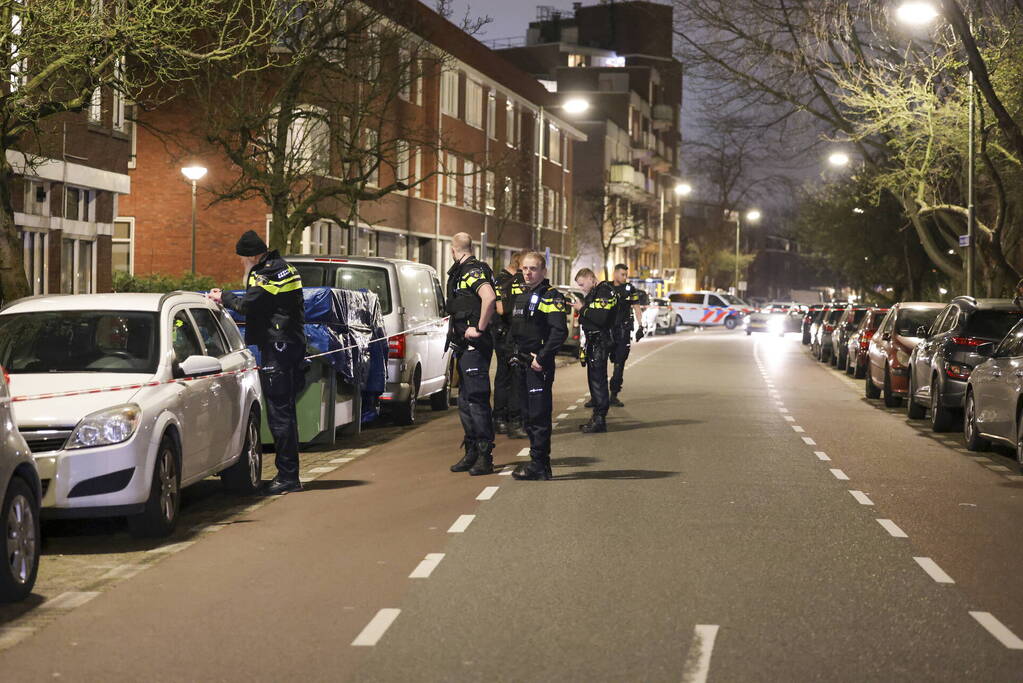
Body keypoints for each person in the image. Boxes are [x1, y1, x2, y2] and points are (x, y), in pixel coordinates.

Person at [207, 230, 306, 495]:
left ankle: (288, 478)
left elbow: (248, 306)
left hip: (277, 347)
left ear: (252, 255)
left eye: (243, 259)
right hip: (292, 344)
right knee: (287, 412)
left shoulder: (265, 273)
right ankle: (290, 474)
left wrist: (223, 297)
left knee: (279, 415)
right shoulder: (287, 268)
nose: (242, 264)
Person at [509, 252, 568, 480]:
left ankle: (540, 464)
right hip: (523, 362)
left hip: (537, 365)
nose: (528, 272)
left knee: (539, 414)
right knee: (527, 415)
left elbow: (559, 332)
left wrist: (541, 359)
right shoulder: (524, 294)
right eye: (524, 268)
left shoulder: (550, 296)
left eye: (533, 269)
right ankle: (538, 462)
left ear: (543, 271)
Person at [446, 233, 499, 476]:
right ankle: (472, 451)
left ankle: (485, 455)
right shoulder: (460, 272)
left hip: (475, 346)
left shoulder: (471, 271)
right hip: (462, 344)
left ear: (453, 249)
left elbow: (489, 297)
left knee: (477, 400)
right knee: (465, 401)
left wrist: (479, 328)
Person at [572, 268, 618, 434]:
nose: (582, 288)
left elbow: (600, 317)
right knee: (594, 380)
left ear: (592, 278)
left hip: (600, 341)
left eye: (583, 284)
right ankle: (596, 417)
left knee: (598, 381)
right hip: (593, 341)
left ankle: (600, 419)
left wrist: (581, 308)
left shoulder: (604, 292)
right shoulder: (596, 293)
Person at [492, 251, 527, 438]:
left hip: (503, 334)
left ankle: (500, 419)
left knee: (504, 377)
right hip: (507, 334)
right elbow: (502, 309)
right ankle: (509, 420)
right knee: (511, 378)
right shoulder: (509, 281)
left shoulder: (501, 279)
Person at [608, 263, 644, 407]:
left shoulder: (630, 289)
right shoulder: (605, 288)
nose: (625, 277)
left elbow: (636, 308)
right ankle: (596, 396)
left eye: (626, 275)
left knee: (619, 363)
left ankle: (614, 394)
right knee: (598, 363)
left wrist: (641, 325)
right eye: (622, 274)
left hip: (623, 331)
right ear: (615, 273)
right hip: (607, 331)